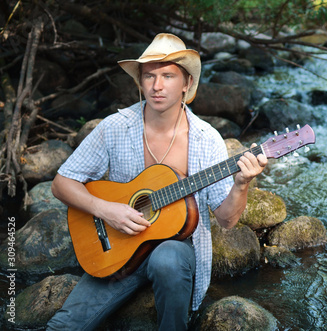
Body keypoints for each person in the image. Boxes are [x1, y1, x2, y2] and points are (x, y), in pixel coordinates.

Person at [46, 33, 267, 330]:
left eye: (167, 75)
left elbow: (227, 220)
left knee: (168, 258)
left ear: (186, 84)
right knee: (62, 326)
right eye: (149, 76)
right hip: (119, 249)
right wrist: (105, 209)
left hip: (176, 254)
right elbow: (61, 183)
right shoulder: (115, 127)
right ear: (140, 82)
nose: (157, 85)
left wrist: (242, 184)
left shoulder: (205, 139)